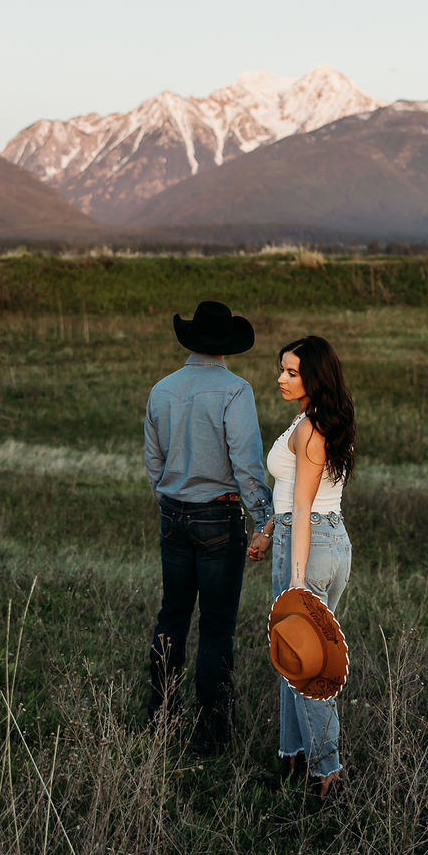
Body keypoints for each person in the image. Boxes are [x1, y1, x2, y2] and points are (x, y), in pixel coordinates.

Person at [145, 300, 274, 756]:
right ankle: (212, 733)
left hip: (174, 514)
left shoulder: (161, 389)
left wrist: (168, 502)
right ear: (226, 348)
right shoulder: (236, 392)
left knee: (171, 616)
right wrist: (264, 519)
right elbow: (247, 464)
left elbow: (153, 461)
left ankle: (159, 717)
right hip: (219, 517)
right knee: (217, 628)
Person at [249, 334, 355, 799]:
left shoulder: (311, 429)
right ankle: (294, 761)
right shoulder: (318, 420)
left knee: (308, 665)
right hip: (326, 537)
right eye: (282, 369)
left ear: (313, 376)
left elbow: (305, 501)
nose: (281, 378)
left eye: (291, 371)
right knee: (297, 659)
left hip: (307, 545)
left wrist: (295, 581)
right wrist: (270, 528)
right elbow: (294, 493)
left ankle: (327, 776)